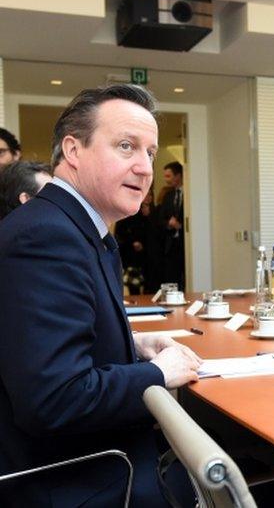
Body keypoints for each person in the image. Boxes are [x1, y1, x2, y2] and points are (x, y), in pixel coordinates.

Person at [0, 84, 201, 506]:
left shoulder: (70, 227)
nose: (145, 167)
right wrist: (159, 373)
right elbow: (55, 399)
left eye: (150, 152)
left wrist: (134, 344)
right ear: (73, 150)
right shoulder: (47, 237)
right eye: (127, 146)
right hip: (77, 476)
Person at [116, 188, 162, 294]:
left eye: (150, 195)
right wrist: (133, 242)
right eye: (146, 194)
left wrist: (150, 216)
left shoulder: (156, 211)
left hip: (150, 254)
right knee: (134, 284)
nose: (148, 197)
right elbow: (121, 231)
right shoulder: (131, 210)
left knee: (150, 285)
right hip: (133, 254)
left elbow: (157, 232)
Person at [158, 161, 185, 290]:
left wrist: (182, 226)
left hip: (186, 245)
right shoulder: (168, 196)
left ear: (178, 176)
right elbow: (160, 219)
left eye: (168, 176)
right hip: (170, 245)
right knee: (172, 278)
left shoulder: (190, 194)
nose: (166, 180)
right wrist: (169, 224)